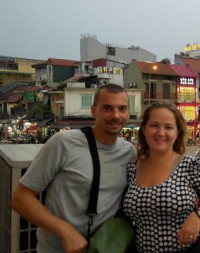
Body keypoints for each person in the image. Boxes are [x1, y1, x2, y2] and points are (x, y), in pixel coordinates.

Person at [11, 84, 137, 252]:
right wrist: (64, 230)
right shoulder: (63, 143)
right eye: (107, 108)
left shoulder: (129, 152)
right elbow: (21, 198)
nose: (116, 115)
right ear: (94, 111)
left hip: (102, 248)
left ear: (128, 112)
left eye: (122, 109)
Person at [122, 100, 200, 253]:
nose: (160, 133)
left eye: (168, 127)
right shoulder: (132, 168)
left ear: (177, 132)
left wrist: (198, 215)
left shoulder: (192, 165)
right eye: (154, 125)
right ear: (144, 129)